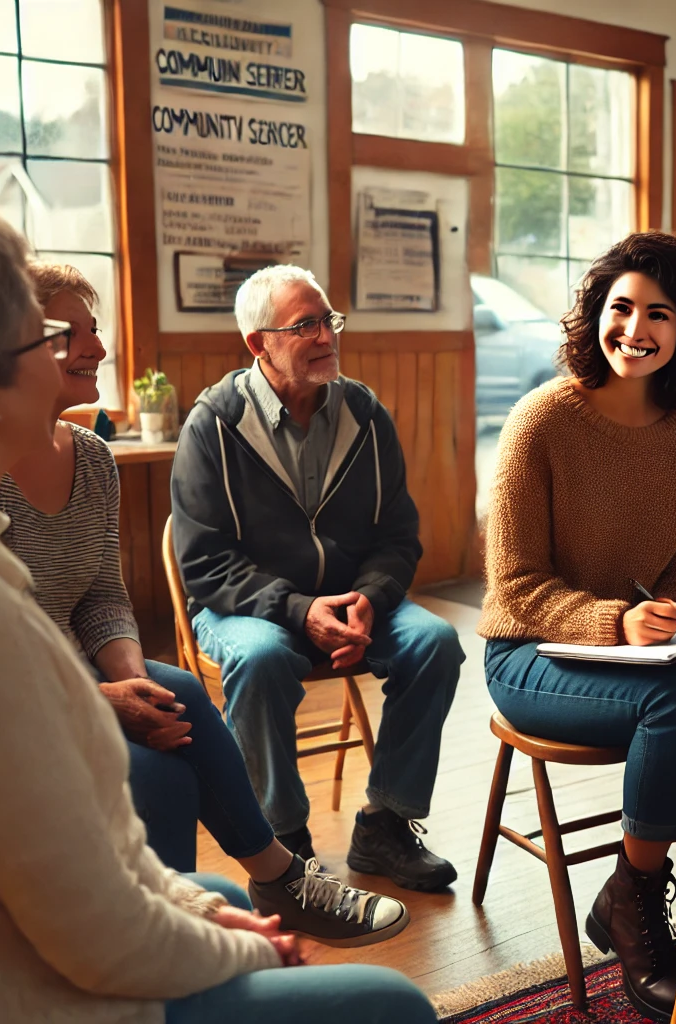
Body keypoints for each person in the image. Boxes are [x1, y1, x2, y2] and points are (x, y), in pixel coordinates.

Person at [0, 202, 435, 1022]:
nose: (92, 351)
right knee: (390, 1003)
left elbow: (82, 873)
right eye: (44, 336)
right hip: (15, 996)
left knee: (212, 884)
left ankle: (275, 875)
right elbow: (101, 941)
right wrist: (250, 947)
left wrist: (206, 918)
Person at [0, 261, 406, 946]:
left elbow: (100, 593)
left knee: (175, 690)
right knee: (166, 766)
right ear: (6, 343)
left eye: (95, 330)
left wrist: (127, 676)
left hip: (71, 670)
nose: (97, 348)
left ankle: (271, 882)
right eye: (71, 334)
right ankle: (168, 945)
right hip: (6, 695)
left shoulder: (93, 456)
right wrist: (100, 698)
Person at [477, 231, 676, 1022]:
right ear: (594, 315)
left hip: (631, 658)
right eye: (620, 307)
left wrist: (666, 615)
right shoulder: (541, 419)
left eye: (659, 314)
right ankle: (637, 909)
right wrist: (615, 622)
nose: (635, 328)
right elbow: (514, 585)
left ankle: (627, 891)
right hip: (524, 655)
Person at [171, 264, 464, 892]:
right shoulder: (213, 425)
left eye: (328, 320)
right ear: (259, 343)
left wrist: (371, 598)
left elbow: (397, 535)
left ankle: (384, 825)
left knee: (435, 643)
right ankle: (283, 844)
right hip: (245, 608)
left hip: (354, 599)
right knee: (261, 657)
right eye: (305, 325)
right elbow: (204, 562)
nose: (326, 335)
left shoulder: (364, 412)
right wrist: (300, 609)